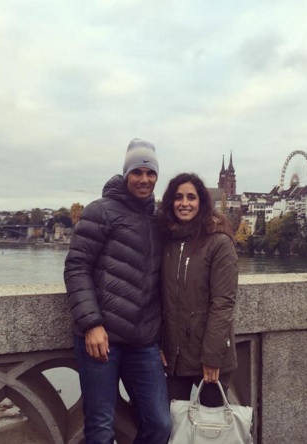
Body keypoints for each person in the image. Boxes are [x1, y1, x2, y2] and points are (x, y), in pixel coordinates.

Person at [64, 138, 171, 444]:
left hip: (144, 342)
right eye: (137, 172)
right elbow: (76, 267)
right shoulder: (100, 211)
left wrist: (162, 339)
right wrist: (91, 324)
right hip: (103, 339)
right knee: (100, 429)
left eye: (150, 173)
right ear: (126, 174)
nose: (144, 179)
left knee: (160, 424)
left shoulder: (157, 219)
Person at [158, 172, 238, 407]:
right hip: (174, 358)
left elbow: (223, 303)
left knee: (211, 423)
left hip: (209, 358)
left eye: (191, 197)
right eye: (178, 197)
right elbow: (159, 300)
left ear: (202, 202)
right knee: (171, 422)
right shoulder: (166, 240)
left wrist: (212, 357)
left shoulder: (219, 242)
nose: (184, 203)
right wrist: (158, 345)